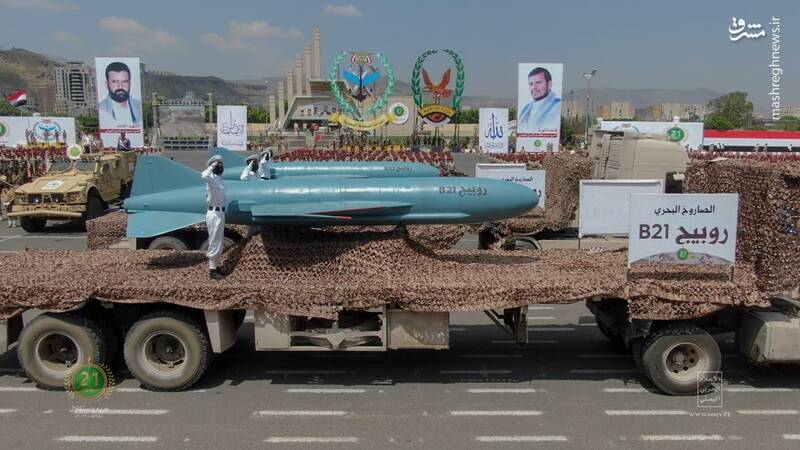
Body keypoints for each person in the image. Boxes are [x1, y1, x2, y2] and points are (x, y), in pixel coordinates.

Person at [201, 155, 227, 280]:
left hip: (220, 213)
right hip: (214, 213)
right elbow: (204, 175)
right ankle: (212, 271)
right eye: (218, 164)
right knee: (214, 241)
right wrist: (212, 166)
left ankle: (215, 267)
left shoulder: (219, 179)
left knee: (219, 241)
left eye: (222, 164)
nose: (221, 166)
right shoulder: (210, 179)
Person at [98, 61, 143, 127]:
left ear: (130, 84)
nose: (120, 87)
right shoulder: (102, 109)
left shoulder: (138, 107)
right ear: (107, 84)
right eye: (115, 82)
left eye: (124, 81)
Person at [518, 67, 561, 131]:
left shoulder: (557, 107)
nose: (534, 87)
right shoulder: (526, 109)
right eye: (531, 84)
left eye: (538, 82)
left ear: (549, 84)